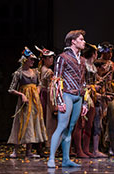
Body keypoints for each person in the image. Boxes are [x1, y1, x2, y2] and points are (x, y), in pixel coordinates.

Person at [48, 30, 88, 168]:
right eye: (81, 39)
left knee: (70, 128)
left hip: (78, 96)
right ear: (73, 41)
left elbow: (84, 82)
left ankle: (66, 159)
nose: (84, 42)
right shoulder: (63, 57)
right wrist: (59, 100)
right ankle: (51, 158)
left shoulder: (82, 60)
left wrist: (85, 103)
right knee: (62, 126)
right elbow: (57, 79)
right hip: (67, 95)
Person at [8, 47, 48, 158]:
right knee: (21, 122)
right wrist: (21, 94)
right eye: (31, 59)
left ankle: (28, 151)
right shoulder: (19, 73)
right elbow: (11, 89)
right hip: (24, 102)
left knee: (32, 123)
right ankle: (15, 150)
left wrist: (37, 91)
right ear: (25, 60)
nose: (33, 61)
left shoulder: (35, 72)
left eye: (33, 60)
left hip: (34, 101)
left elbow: (40, 84)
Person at [72, 43, 98, 158]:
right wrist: (92, 87)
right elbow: (80, 83)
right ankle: (79, 150)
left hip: (91, 96)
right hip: (83, 95)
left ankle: (86, 149)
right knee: (79, 124)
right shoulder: (83, 65)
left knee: (89, 124)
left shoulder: (93, 66)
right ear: (93, 54)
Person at [35, 46, 56, 155]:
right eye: (49, 58)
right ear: (44, 59)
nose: (51, 60)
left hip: (44, 94)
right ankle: (42, 145)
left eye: (52, 58)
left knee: (44, 120)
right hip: (45, 95)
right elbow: (51, 86)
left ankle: (41, 146)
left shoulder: (41, 69)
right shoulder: (47, 71)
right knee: (45, 120)